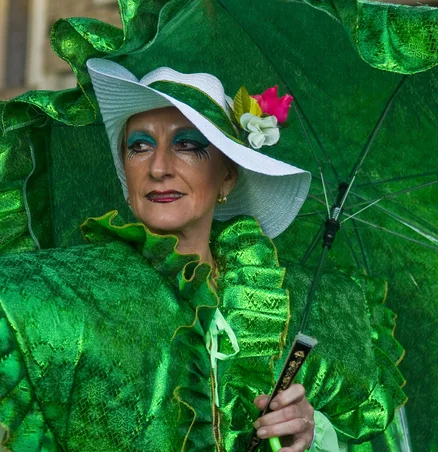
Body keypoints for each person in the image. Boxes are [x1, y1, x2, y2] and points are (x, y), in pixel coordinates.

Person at [0, 58, 406, 451]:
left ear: (228, 173)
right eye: (139, 146)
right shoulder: (63, 292)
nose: (158, 167)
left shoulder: (300, 303)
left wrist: (306, 430)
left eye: (187, 144)